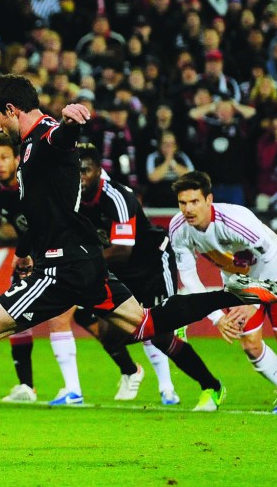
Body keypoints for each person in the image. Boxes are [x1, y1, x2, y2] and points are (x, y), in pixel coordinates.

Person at [0, 74, 277, 447]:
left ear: (11, 110)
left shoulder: (43, 136)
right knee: (147, 324)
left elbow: (59, 141)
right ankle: (231, 293)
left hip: (60, 268)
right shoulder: (30, 144)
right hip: (83, 262)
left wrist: (72, 124)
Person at [169, 171, 277, 414]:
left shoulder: (235, 222)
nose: (188, 209)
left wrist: (254, 301)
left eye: (194, 201)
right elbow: (188, 275)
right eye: (182, 203)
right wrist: (217, 318)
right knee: (250, 345)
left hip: (275, 273)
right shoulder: (179, 229)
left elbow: (269, 255)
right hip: (239, 281)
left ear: (209, 200)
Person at [77, 145, 225, 410]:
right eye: (74, 171)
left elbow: (122, 250)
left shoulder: (117, 196)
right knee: (105, 332)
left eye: (85, 170)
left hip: (152, 263)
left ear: (99, 171)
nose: (79, 177)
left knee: (160, 334)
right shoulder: (71, 199)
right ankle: (135, 369)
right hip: (120, 271)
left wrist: (80, 262)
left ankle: (210, 387)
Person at [0, 133, 85, 405]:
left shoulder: (33, 181)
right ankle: (26, 385)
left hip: (63, 251)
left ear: (17, 158)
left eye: (4, 157)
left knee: (97, 321)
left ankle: (131, 370)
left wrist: (28, 252)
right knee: (15, 316)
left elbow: (49, 221)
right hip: (29, 256)